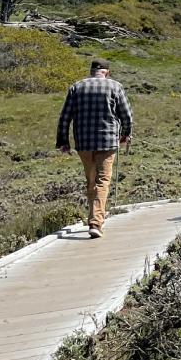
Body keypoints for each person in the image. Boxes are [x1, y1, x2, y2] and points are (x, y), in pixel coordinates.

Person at [56, 57, 133, 239]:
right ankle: (96, 223)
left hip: (83, 142)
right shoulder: (115, 87)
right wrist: (126, 134)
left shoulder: (76, 87)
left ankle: (94, 217)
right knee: (102, 181)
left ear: (92, 71)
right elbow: (126, 115)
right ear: (107, 72)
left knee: (91, 180)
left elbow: (65, 116)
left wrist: (63, 141)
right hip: (107, 141)